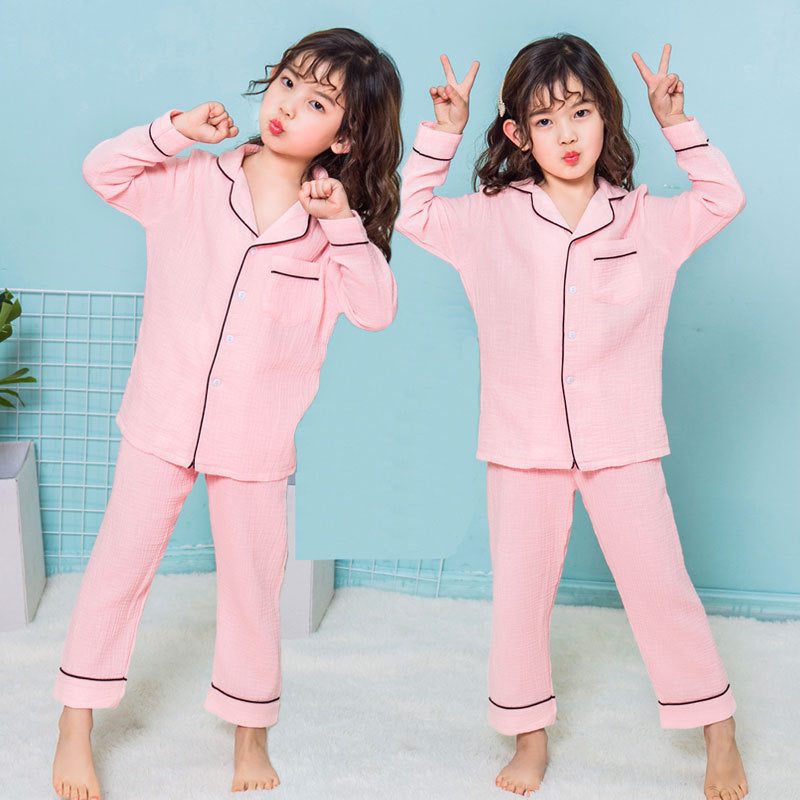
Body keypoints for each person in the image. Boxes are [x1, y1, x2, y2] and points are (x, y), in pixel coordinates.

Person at [51, 27, 402, 799]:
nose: (288, 105)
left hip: (254, 442)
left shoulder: (327, 229)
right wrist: (172, 130)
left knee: (251, 589)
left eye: (318, 103)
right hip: (160, 418)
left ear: (344, 138)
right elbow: (101, 170)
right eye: (287, 82)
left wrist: (343, 223)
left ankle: (250, 736)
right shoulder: (191, 182)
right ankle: (74, 726)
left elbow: (376, 310)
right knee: (116, 570)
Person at [395, 34, 748, 799]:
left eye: (581, 113)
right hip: (522, 445)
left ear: (606, 118)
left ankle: (718, 729)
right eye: (545, 119)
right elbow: (409, 210)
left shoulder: (644, 220)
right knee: (520, 601)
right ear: (518, 133)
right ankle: (529, 737)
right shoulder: (489, 219)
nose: (567, 134)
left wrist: (677, 123)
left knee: (660, 587)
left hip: (623, 441)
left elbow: (724, 199)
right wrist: (442, 133)